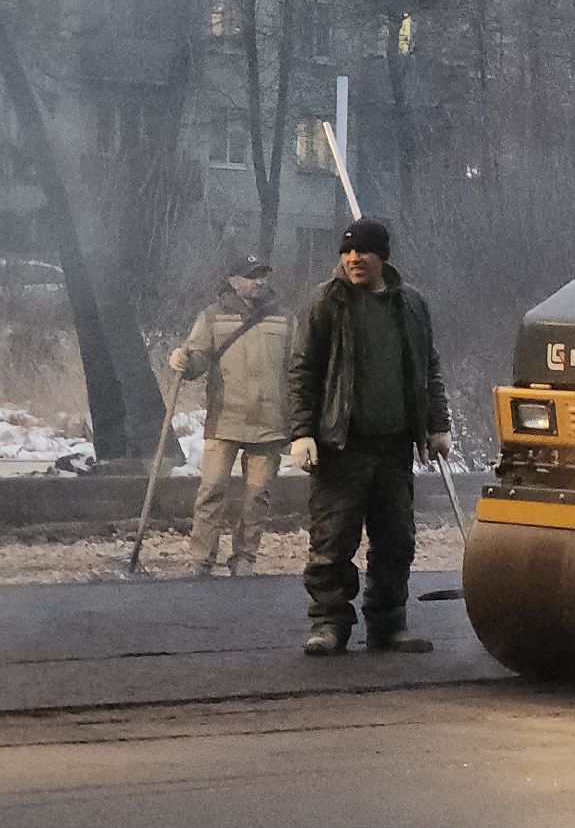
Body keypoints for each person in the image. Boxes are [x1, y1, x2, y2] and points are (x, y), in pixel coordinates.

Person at [288, 217, 451, 656]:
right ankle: (329, 624)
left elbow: (427, 368)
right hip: (342, 446)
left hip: (395, 447)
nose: (354, 259)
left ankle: (388, 625)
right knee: (332, 542)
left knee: (396, 542)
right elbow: (303, 372)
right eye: (347, 252)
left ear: (384, 257)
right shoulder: (326, 303)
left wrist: (438, 425)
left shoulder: (412, 304)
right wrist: (302, 432)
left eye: (363, 251)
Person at [170, 255, 293, 578]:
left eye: (264, 275)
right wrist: (184, 361)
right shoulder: (212, 317)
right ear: (234, 280)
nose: (260, 281)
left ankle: (245, 558)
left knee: (257, 496)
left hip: (269, 421)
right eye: (252, 276)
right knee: (211, 490)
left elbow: (298, 371)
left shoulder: (286, 320)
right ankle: (200, 559)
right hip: (224, 419)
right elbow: (196, 363)